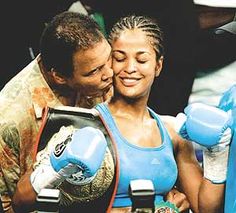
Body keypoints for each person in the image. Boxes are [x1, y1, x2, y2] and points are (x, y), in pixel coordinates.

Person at [16, 15, 232, 213]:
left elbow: (206, 209)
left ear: (158, 66)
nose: (129, 68)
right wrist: (53, 170)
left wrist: (217, 153)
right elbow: (19, 202)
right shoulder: (84, 125)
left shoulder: (173, 135)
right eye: (119, 58)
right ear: (109, 62)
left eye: (141, 60)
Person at [0, 11, 114, 212]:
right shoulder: (9, 118)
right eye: (94, 71)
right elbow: (8, 206)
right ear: (60, 76)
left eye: (109, 58)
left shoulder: (107, 74)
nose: (110, 73)